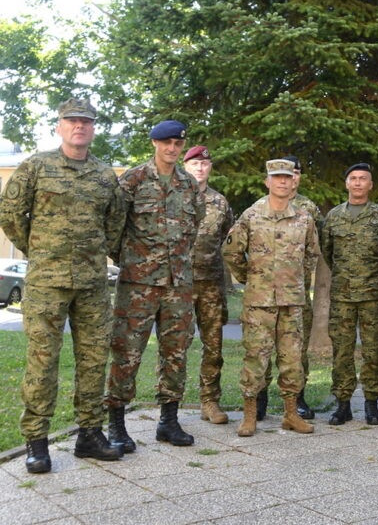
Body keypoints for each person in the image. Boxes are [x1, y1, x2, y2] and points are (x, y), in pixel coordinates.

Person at [0, 98, 126, 473]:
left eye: (86, 122)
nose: (79, 127)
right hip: (46, 283)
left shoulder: (105, 175)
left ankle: (89, 434)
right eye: (72, 121)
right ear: (59, 126)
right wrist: (37, 248)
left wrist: (95, 253)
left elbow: (115, 223)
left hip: (91, 284)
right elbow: (9, 214)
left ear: (93, 128)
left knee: (92, 362)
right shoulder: (36, 166)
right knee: (42, 364)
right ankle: (37, 442)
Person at [105, 120, 204, 450]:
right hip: (138, 284)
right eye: (166, 143)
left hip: (178, 284)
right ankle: (117, 425)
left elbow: (192, 228)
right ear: (154, 143)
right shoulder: (133, 180)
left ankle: (168, 421)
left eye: (177, 143)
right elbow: (113, 230)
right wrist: (135, 261)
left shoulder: (189, 185)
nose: (172, 148)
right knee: (126, 351)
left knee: (176, 352)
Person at [223, 158, 320, 437]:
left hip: (292, 302)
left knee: (291, 359)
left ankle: (291, 414)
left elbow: (312, 254)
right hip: (259, 302)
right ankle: (250, 415)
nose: (282, 181)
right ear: (267, 181)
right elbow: (230, 252)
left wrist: (297, 281)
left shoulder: (304, 218)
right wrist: (249, 277)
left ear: (293, 182)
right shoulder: (252, 215)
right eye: (276, 177)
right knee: (256, 358)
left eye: (287, 177)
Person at [320, 163, 378, 425]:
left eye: (363, 179)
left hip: (373, 295)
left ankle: (372, 404)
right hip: (342, 296)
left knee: (373, 351)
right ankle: (342, 404)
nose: (358, 183)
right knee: (342, 351)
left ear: (371, 185)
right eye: (353, 178)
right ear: (346, 183)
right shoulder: (334, 216)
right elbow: (328, 251)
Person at [256, 155, 323, 421]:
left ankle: (298, 399)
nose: (290, 178)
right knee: (261, 348)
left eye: (295, 172)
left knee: (296, 349)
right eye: (284, 173)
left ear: (299, 177)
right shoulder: (258, 209)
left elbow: (315, 250)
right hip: (263, 294)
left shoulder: (309, 209)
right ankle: (258, 400)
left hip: (296, 295)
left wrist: (297, 277)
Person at [183, 145, 234, 425]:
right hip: (178, 285)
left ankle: (210, 401)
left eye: (205, 164)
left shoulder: (220, 202)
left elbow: (228, 238)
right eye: (194, 164)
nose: (200, 168)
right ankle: (169, 405)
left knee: (213, 346)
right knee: (175, 346)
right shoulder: (173, 197)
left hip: (211, 286)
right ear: (185, 166)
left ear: (210, 167)